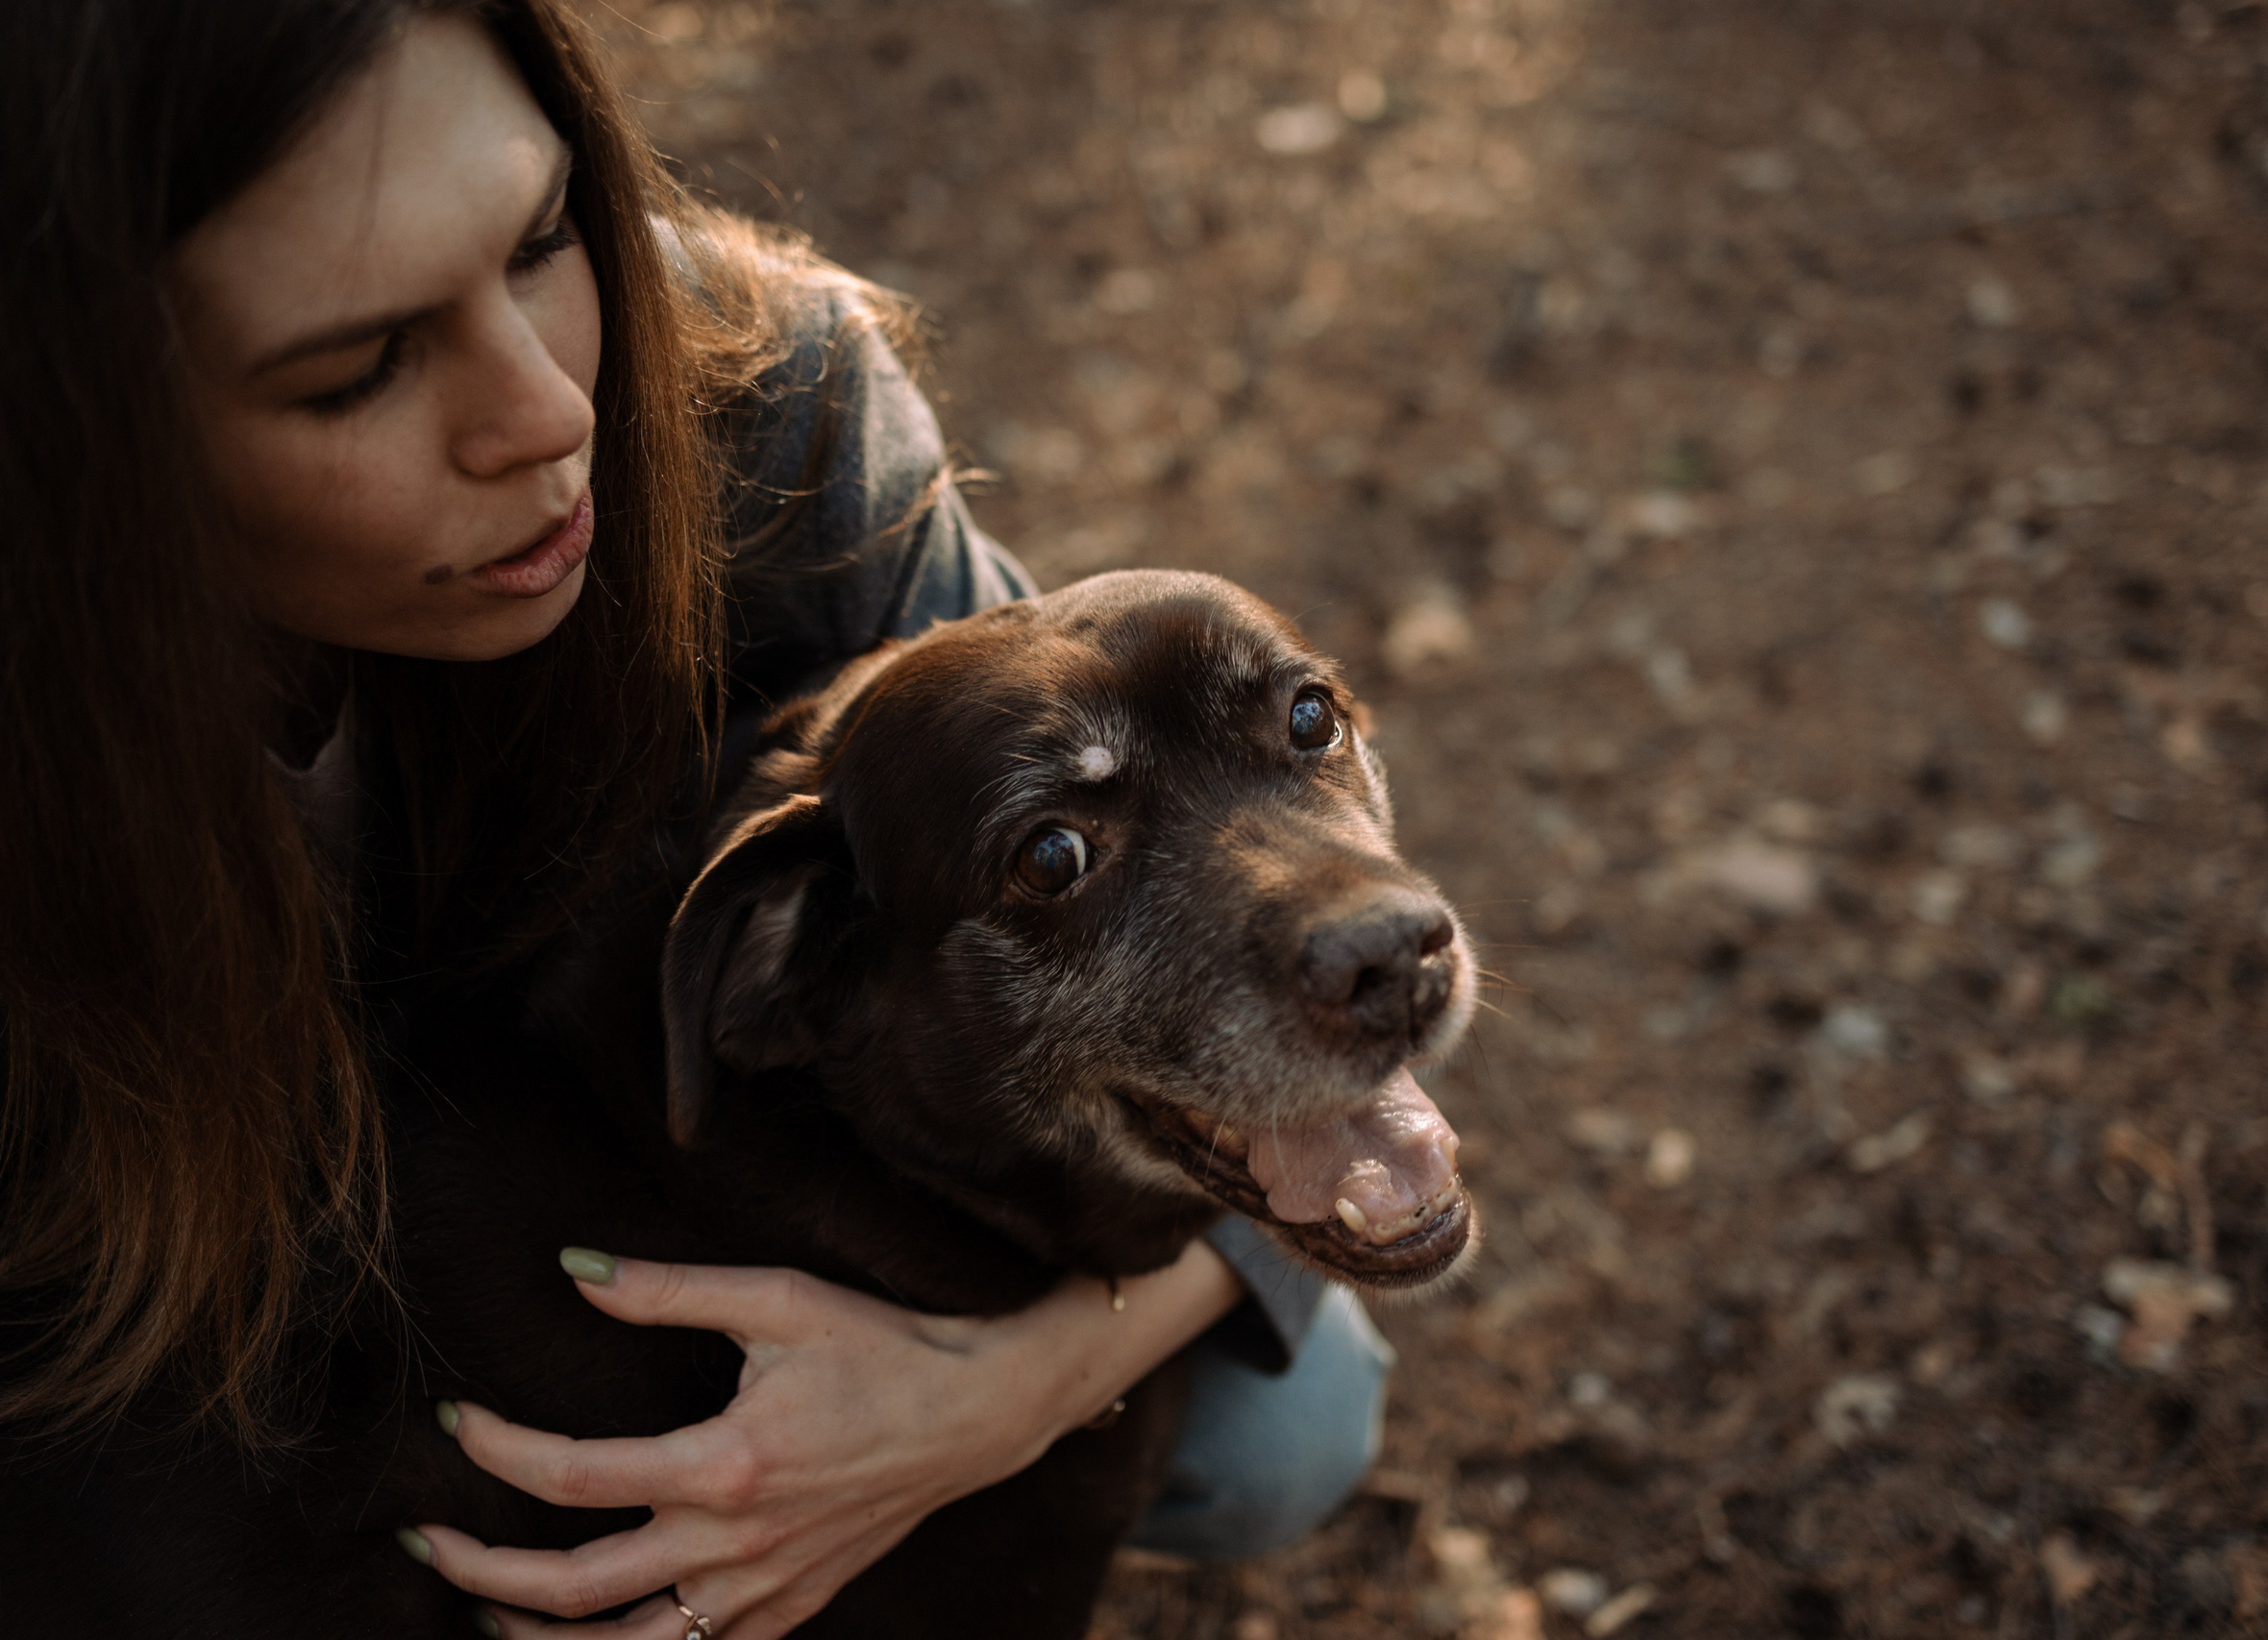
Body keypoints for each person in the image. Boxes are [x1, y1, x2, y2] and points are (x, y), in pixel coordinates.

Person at [0, 3, 1393, 1635]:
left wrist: (998, 1397)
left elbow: (1241, 851)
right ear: (80, 434)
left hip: (665, 1222)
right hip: (172, 1402)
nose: (545, 413)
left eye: (539, 241)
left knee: (1280, 1420)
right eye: (360, 368)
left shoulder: (772, 405)